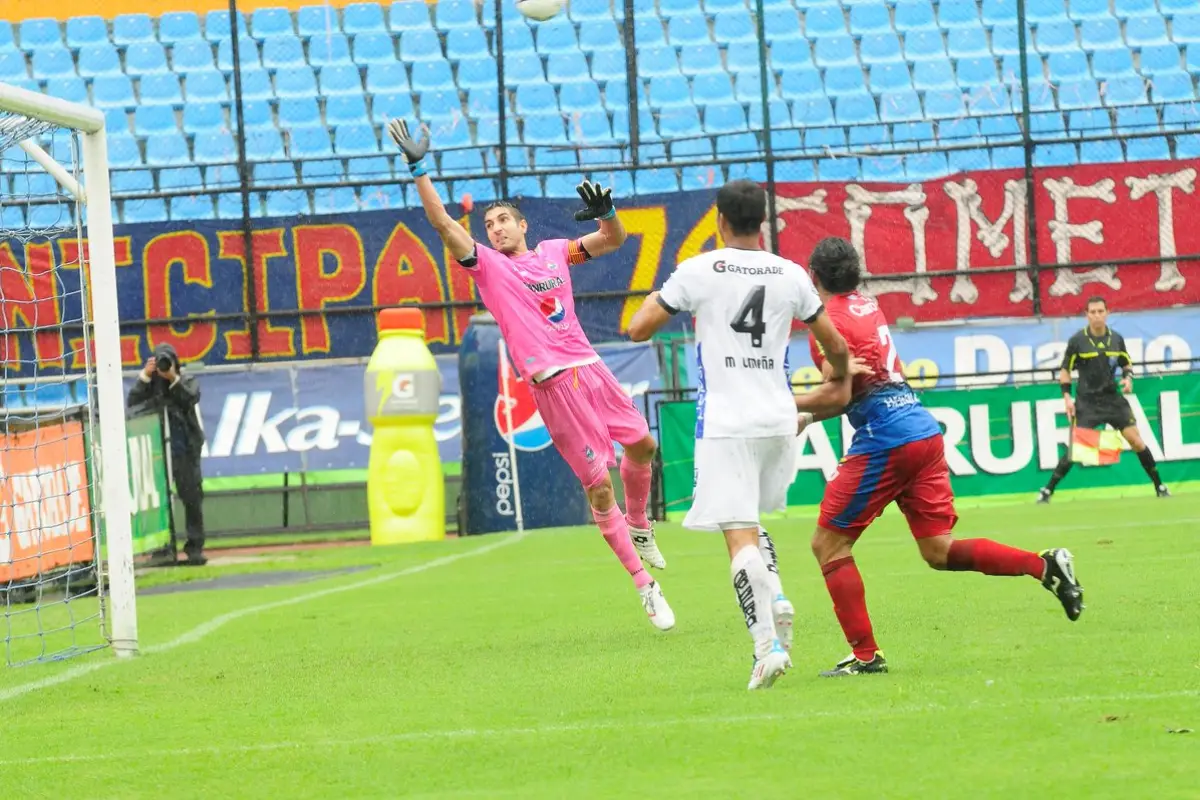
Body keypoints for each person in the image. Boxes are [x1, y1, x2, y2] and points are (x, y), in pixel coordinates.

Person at [388, 120, 673, 631]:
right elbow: (444, 226)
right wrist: (419, 170)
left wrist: (608, 212)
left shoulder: (554, 253)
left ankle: (640, 525)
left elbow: (613, 240)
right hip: (554, 387)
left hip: (591, 369)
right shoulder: (488, 267)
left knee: (645, 446)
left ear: (524, 227)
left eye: (504, 221)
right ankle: (643, 585)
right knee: (597, 489)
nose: (495, 228)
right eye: (490, 223)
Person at [798, 236, 1084, 677]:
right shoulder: (866, 307)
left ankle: (865, 657)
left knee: (828, 544)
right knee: (937, 550)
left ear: (813, 277)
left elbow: (839, 393)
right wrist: (809, 414)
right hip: (920, 428)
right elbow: (855, 388)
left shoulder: (828, 322)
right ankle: (1044, 565)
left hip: (885, 437)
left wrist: (788, 405)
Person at [627, 179, 854, 690]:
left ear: (720, 222)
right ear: (763, 221)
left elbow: (639, 329)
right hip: (778, 422)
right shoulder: (791, 273)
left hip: (727, 424)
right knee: (750, 524)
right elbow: (834, 343)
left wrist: (664, 297)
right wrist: (841, 372)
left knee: (736, 536)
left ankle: (766, 647)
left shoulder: (699, 270)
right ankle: (775, 597)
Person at [1037, 296, 1169, 503]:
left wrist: (1128, 379)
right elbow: (1065, 371)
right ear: (1086, 315)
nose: (1097, 315)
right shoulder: (1077, 341)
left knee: (1136, 441)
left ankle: (1159, 486)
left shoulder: (1116, 338)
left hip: (1112, 401)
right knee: (1075, 449)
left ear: (1107, 313)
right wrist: (1067, 397)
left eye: (1100, 311)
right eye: (1093, 312)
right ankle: (1047, 491)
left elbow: (1126, 364)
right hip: (1087, 402)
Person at [127, 343, 206, 566]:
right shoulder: (150, 387)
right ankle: (163, 548)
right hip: (157, 453)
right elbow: (132, 405)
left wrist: (172, 378)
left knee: (192, 499)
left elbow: (190, 398)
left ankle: (195, 547)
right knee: (159, 502)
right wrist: (144, 376)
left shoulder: (185, 381)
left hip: (185, 451)